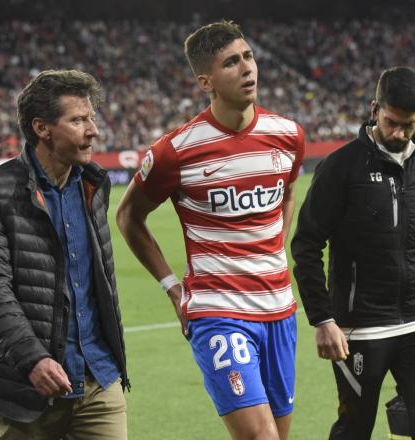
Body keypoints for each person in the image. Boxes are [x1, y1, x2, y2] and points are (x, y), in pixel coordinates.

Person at [116, 20, 304, 440]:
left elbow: (288, 191)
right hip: (218, 312)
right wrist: (171, 286)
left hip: (279, 309)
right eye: (231, 63)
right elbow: (128, 216)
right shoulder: (176, 151)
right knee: (261, 437)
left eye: (249, 56)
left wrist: (276, 248)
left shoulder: (288, 135)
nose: (247, 68)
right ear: (206, 81)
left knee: (279, 434)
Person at [291, 66, 415, 440]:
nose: (399, 133)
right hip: (359, 326)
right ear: (374, 109)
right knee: (355, 428)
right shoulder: (339, 167)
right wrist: (322, 319)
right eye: (391, 122)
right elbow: (306, 244)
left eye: (408, 125)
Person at [0, 69, 129, 439]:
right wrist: (33, 359)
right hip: (30, 389)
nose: (93, 130)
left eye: (91, 118)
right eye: (78, 120)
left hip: (99, 380)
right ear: (42, 128)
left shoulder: (93, 184)